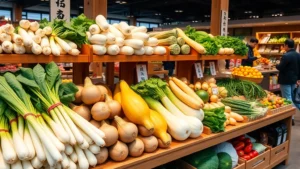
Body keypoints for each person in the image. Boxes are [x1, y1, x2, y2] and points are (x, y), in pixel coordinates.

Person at [276, 39, 300, 125]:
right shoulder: (298, 55)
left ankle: (291, 118)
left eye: (284, 45)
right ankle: (291, 116)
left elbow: (280, 67)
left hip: (285, 80)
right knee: (293, 97)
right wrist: (298, 79)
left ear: (286, 45)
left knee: (287, 98)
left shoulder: (286, 56)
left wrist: (276, 64)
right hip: (294, 80)